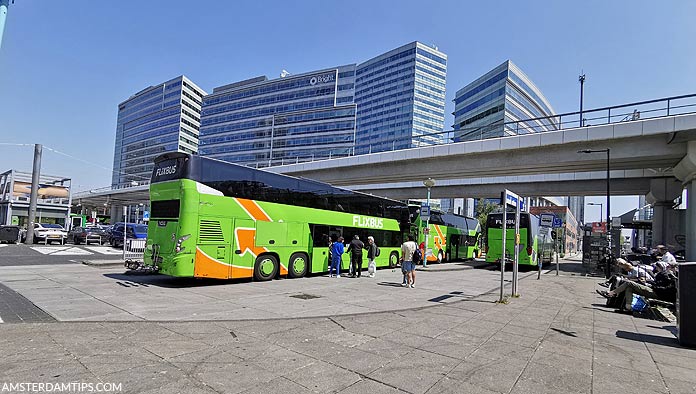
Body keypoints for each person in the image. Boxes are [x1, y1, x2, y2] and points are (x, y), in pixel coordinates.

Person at [597, 260, 677, 311]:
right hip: (655, 290)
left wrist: (650, 285)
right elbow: (658, 284)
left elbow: (665, 289)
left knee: (629, 283)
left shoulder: (669, 277)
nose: (656, 268)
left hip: (657, 293)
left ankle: (611, 293)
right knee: (629, 287)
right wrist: (648, 282)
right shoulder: (666, 275)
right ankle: (628, 308)